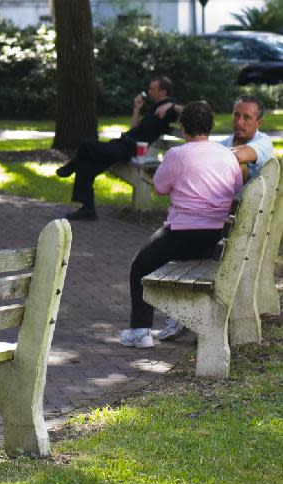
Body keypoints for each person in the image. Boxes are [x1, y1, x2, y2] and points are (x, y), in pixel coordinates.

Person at [120, 100, 243, 349]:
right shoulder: (227, 155)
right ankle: (172, 318)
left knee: (140, 265)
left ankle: (140, 330)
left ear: (183, 127)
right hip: (216, 238)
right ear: (209, 126)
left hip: (181, 236)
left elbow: (160, 186)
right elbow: (236, 188)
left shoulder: (177, 154)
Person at [55, 74, 180, 220]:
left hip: (129, 149)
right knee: (86, 165)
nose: (149, 91)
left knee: (86, 144)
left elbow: (198, 108)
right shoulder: (155, 107)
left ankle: (70, 167)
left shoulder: (169, 107)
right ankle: (87, 210)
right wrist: (137, 108)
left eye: (152, 89)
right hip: (123, 143)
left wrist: (171, 105)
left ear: (163, 92)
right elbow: (135, 127)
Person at [220, 94, 274, 182]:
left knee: (239, 164)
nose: (239, 122)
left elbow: (239, 156)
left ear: (259, 123)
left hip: (255, 195)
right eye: (236, 115)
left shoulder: (264, 142)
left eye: (246, 117)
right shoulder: (222, 145)